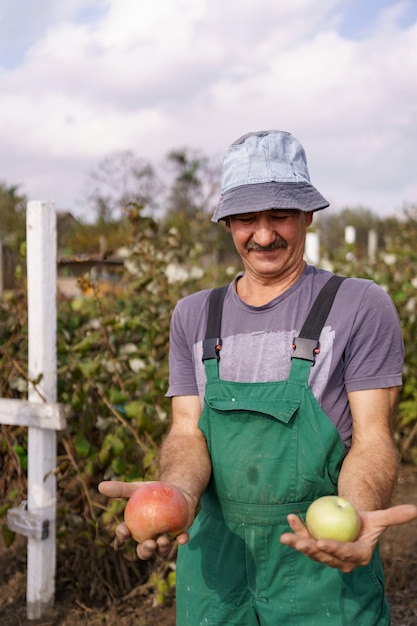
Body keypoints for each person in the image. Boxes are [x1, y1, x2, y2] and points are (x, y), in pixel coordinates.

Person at [99, 130, 417, 625]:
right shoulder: (194, 316)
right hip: (216, 568)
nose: (264, 235)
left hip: (320, 566)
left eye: (280, 216)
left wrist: (353, 515)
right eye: (247, 217)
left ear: (308, 215)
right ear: (227, 221)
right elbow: (187, 432)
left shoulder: (358, 305)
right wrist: (177, 495)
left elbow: (373, 438)